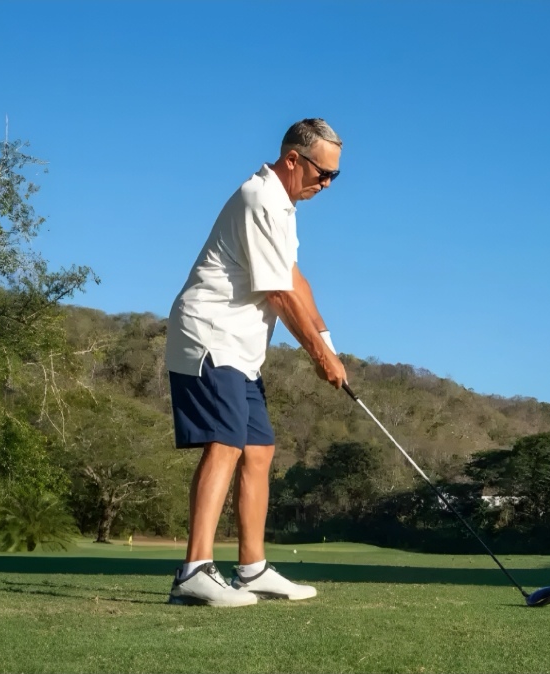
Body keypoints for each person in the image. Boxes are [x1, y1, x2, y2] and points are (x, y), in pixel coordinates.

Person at [163, 118, 348, 607]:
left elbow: (295, 278)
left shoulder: (283, 208)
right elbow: (278, 294)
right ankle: (194, 573)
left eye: (334, 177)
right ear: (293, 160)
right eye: (322, 173)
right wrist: (316, 357)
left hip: (242, 350)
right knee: (224, 443)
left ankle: (253, 568)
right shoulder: (259, 197)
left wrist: (328, 342)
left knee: (259, 450)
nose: (326, 184)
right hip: (208, 336)